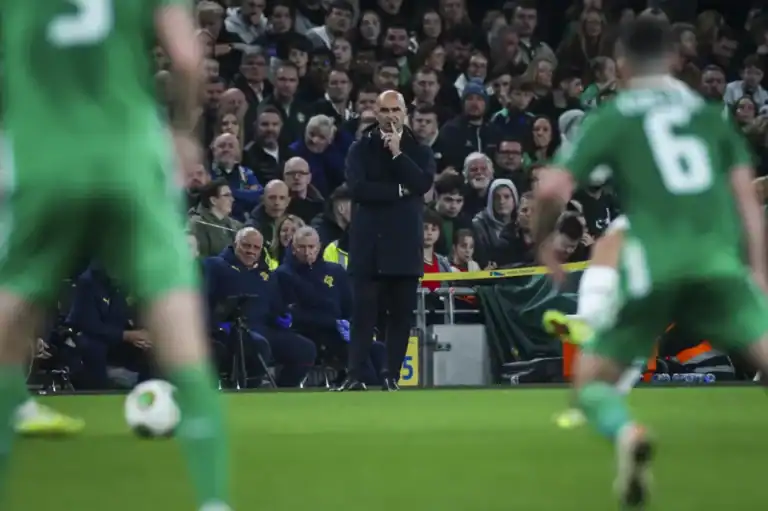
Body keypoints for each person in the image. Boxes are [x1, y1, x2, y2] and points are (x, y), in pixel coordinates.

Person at [2, 1, 230, 510]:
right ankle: (213, 500)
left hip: (42, 160)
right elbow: (186, 58)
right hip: (129, 159)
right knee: (180, 327)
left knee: (10, 320)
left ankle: (14, 404)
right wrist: (183, 133)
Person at [534, 18, 768, 509]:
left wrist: (543, 244)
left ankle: (627, 432)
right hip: (718, 264)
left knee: (591, 386)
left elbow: (552, 188)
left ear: (620, 65)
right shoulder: (709, 115)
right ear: (677, 60)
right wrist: (757, 270)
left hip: (651, 269)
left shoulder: (614, 116)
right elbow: (747, 200)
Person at [340, 90, 435, 391]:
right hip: (368, 245)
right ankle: (354, 375)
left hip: (404, 245)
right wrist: (399, 191)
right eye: (385, 110)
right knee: (363, 316)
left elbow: (422, 184)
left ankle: (390, 375)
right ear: (376, 113)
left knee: (400, 317)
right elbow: (358, 189)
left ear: (405, 113)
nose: (391, 116)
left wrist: (397, 155)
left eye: (396, 110)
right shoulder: (360, 148)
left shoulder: (419, 149)